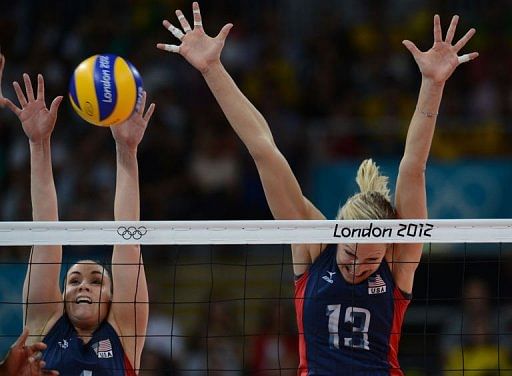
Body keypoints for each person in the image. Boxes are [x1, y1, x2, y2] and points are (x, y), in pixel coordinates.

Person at [157, 3, 478, 374]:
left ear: (388, 248)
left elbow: (413, 169)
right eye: (351, 253)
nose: (358, 266)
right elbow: (264, 149)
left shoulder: (397, 262)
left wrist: (432, 84)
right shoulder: (312, 243)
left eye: (371, 259)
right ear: (337, 232)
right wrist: (212, 69)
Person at [3, 70, 155, 375]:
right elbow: (46, 235)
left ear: (114, 299)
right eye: (73, 281)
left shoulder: (125, 331)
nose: (83, 285)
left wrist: (127, 150)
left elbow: (128, 240)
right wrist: (39, 144)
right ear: (60, 295)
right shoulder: (44, 324)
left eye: (96, 281)